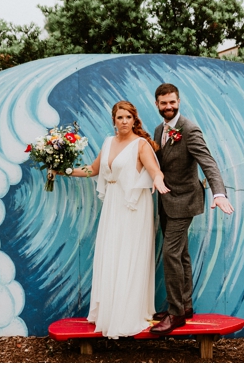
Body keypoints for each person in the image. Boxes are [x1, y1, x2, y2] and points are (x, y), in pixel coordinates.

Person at [64, 101, 170, 338]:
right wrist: (66, 170)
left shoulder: (141, 144)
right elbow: (93, 169)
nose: (124, 121)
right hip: (113, 205)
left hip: (133, 207)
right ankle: (110, 312)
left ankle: (127, 314)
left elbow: (154, 170)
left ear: (134, 120)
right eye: (119, 117)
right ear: (114, 120)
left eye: (128, 117)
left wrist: (158, 180)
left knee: (129, 255)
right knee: (111, 254)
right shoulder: (108, 143)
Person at [147, 83, 234, 335]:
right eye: (164, 103)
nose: (168, 107)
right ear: (157, 104)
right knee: (181, 254)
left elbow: (208, 162)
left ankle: (175, 315)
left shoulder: (189, 129)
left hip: (185, 201)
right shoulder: (158, 130)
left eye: (172, 102)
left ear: (179, 101)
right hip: (166, 200)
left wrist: (219, 192)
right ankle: (185, 306)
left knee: (170, 254)